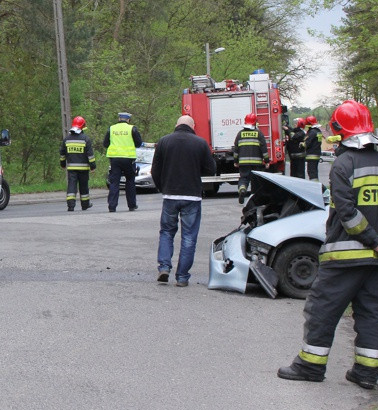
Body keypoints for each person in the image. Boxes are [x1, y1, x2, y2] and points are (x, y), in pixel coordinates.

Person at [277, 100, 378, 390]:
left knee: (322, 310)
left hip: (345, 258)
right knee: (371, 315)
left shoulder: (343, 163)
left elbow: (347, 213)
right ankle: (367, 373)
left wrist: (376, 241)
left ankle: (310, 366)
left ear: (340, 129)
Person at [151, 115, 216, 286]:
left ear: (176, 125)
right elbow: (211, 169)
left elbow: (155, 170)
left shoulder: (164, 142)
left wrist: (162, 187)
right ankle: (182, 277)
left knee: (166, 232)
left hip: (170, 196)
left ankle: (164, 267)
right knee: (189, 238)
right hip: (192, 196)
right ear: (193, 126)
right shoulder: (200, 143)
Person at [103, 111, 143, 212]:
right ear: (128, 120)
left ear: (119, 119)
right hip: (128, 158)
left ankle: (112, 206)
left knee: (114, 182)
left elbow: (105, 143)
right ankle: (132, 205)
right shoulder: (132, 128)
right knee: (130, 181)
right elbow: (138, 143)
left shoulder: (111, 128)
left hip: (115, 159)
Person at [59, 115, 97, 211]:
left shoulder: (67, 139)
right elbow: (90, 155)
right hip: (83, 169)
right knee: (84, 186)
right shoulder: (85, 139)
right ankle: (85, 205)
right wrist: (93, 166)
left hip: (71, 168)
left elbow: (62, 154)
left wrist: (63, 164)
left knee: (71, 186)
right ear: (82, 127)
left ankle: (71, 205)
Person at [232, 113, 269, 204]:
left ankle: (242, 190)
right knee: (255, 180)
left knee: (244, 178)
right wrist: (267, 161)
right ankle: (254, 198)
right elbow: (264, 149)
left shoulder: (240, 134)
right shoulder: (259, 133)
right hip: (257, 163)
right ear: (255, 122)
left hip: (243, 162)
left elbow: (236, 149)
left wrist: (235, 161)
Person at [304, 114, 323, 182]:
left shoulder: (312, 132)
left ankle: (315, 187)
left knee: (311, 172)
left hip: (311, 154)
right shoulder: (318, 131)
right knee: (314, 172)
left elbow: (307, 143)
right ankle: (316, 185)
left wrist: (302, 144)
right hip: (317, 153)